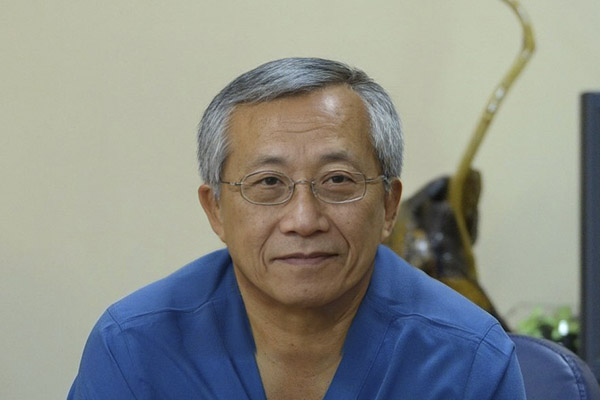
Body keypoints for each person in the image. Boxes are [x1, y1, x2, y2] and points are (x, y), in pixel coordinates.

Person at [68, 58, 525, 399]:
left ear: (389, 205)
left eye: (338, 181)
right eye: (269, 183)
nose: (304, 220)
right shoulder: (135, 346)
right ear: (216, 210)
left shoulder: (468, 357)